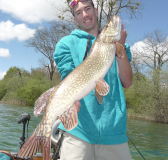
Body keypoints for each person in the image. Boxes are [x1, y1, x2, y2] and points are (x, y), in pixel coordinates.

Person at [53, 0, 133, 159]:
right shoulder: (66, 44)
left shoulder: (121, 45)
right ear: (75, 20)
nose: (85, 14)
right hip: (78, 132)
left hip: (114, 133)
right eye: (78, 12)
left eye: (88, 8)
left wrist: (120, 49)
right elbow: (69, 79)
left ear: (95, 11)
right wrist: (70, 101)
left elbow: (127, 82)